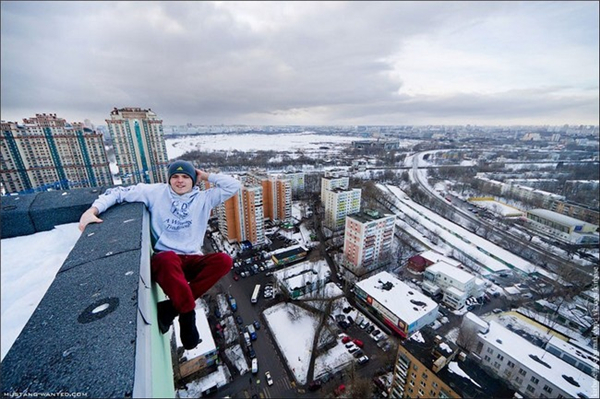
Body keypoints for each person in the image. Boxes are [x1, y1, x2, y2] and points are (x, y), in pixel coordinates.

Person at [79, 160, 241, 350]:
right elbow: (119, 193)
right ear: (169, 179)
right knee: (166, 258)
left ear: (193, 180)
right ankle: (187, 314)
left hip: (192, 259)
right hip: (167, 261)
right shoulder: (155, 193)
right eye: (175, 177)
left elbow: (234, 185)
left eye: (185, 177)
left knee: (224, 260)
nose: (180, 181)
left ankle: (171, 308)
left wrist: (205, 175)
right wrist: (92, 210)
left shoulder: (204, 198)